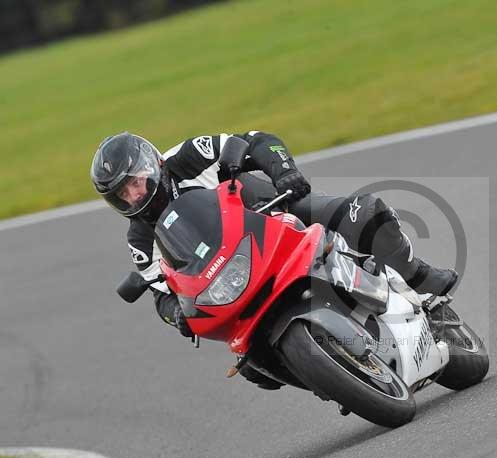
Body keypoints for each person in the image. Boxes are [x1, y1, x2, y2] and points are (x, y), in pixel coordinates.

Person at [90, 131, 458, 341]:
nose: (134, 196)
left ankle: (417, 277)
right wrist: (178, 315)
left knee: (364, 213)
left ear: (151, 165)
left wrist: (285, 174)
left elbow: (254, 141)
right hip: (230, 276)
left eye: (135, 183)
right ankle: (314, 365)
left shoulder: (186, 157)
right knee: (249, 364)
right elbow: (160, 295)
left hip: (272, 212)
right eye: (121, 194)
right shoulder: (139, 238)